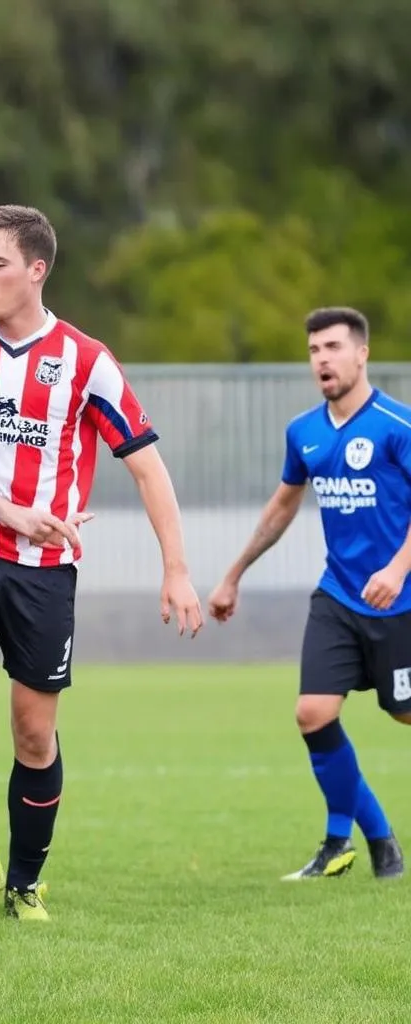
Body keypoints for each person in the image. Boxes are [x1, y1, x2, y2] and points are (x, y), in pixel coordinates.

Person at [0, 204, 204, 921]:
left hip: (42, 568)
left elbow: (148, 468)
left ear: (36, 270)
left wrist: (176, 568)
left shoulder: (86, 360)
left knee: (32, 731)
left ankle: (25, 881)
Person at [208, 306, 408, 881]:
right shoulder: (306, 433)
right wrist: (233, 574)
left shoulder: (398, 425)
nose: (322, 359)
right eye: (315, 350)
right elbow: (282, 508)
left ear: (362, 354)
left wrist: (396, 569)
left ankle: (354, 840)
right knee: (313, 713)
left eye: (333, 348)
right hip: (339, 596)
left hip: (402, 600)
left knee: (403, 714)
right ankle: (365, 841)